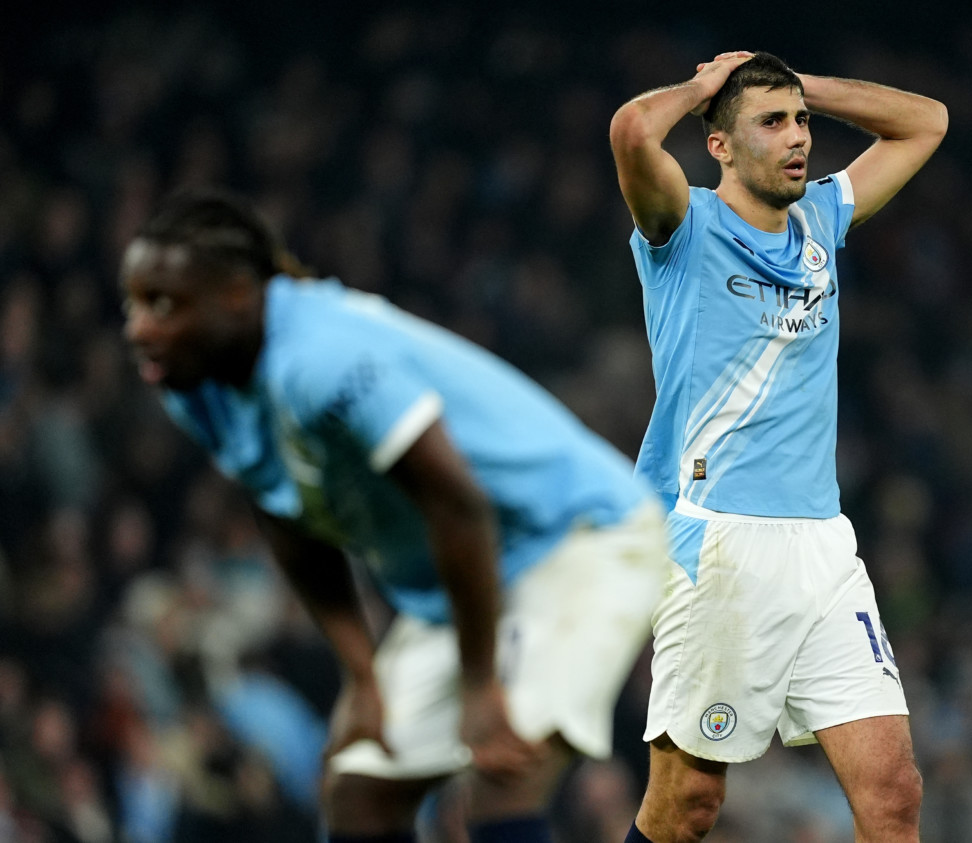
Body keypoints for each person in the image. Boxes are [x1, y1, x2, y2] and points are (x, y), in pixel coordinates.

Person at [120, 190, 669, 843]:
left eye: (164, 305)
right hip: (468, 580)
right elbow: (286, 513)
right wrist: (361, 676)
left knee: (502, 771)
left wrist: (480, 686)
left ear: (238, 295)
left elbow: (456, 504)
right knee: (360, 794)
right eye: (133, 303)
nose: (138, 328)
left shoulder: (319, 358)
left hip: (577, 538)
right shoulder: (200, 388)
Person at [609, 51, 948, 842]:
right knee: (688, 804)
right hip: (719, 539)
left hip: (824, 545)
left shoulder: (820, 217)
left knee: (893, 792)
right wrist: (704, 88)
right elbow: (631, 132)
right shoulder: (683, 226)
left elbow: (926, 122)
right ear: (719, 145)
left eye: (800, 122)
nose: (798, 136)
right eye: (771, 122)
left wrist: (802, 87)